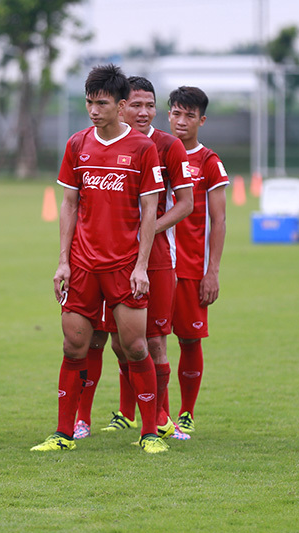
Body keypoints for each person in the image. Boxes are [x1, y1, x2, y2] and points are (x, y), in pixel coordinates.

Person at [31, 64, 168, 453]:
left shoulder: (142, 149)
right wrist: (63, 261)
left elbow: (150, 211)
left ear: (121, 106)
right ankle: (63, 434)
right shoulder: (77, 144)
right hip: (83, 265)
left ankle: (149, 433)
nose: (93, 110)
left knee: (136, 347)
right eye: (89, 102)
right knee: (73, 347)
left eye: (102, 103)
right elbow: (69, 205)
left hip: (125, 266)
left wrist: (141, 266)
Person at [72, 76, 194, 441]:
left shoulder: (166, 145)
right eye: (136, 105)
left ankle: (161, 418)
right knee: (103, 339)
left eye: (149, 105)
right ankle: (86, 419)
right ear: (123, 106)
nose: (143, 112)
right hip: (104, 258)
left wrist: (145, 231)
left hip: (153, 258)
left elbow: (186, 203)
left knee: (151, 342)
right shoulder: (91, 142)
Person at [167, 86, 229, 436]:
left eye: (189, 115)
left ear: (201, 120)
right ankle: (152, 414)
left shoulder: (208, 162)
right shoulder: (156, 152)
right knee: (146, 340)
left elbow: (219, 220)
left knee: (189, 340)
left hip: (191, 267)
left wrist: (212, 272)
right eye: (176, 113)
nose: (182, 121)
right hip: (158, 263)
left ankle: (186, 412)